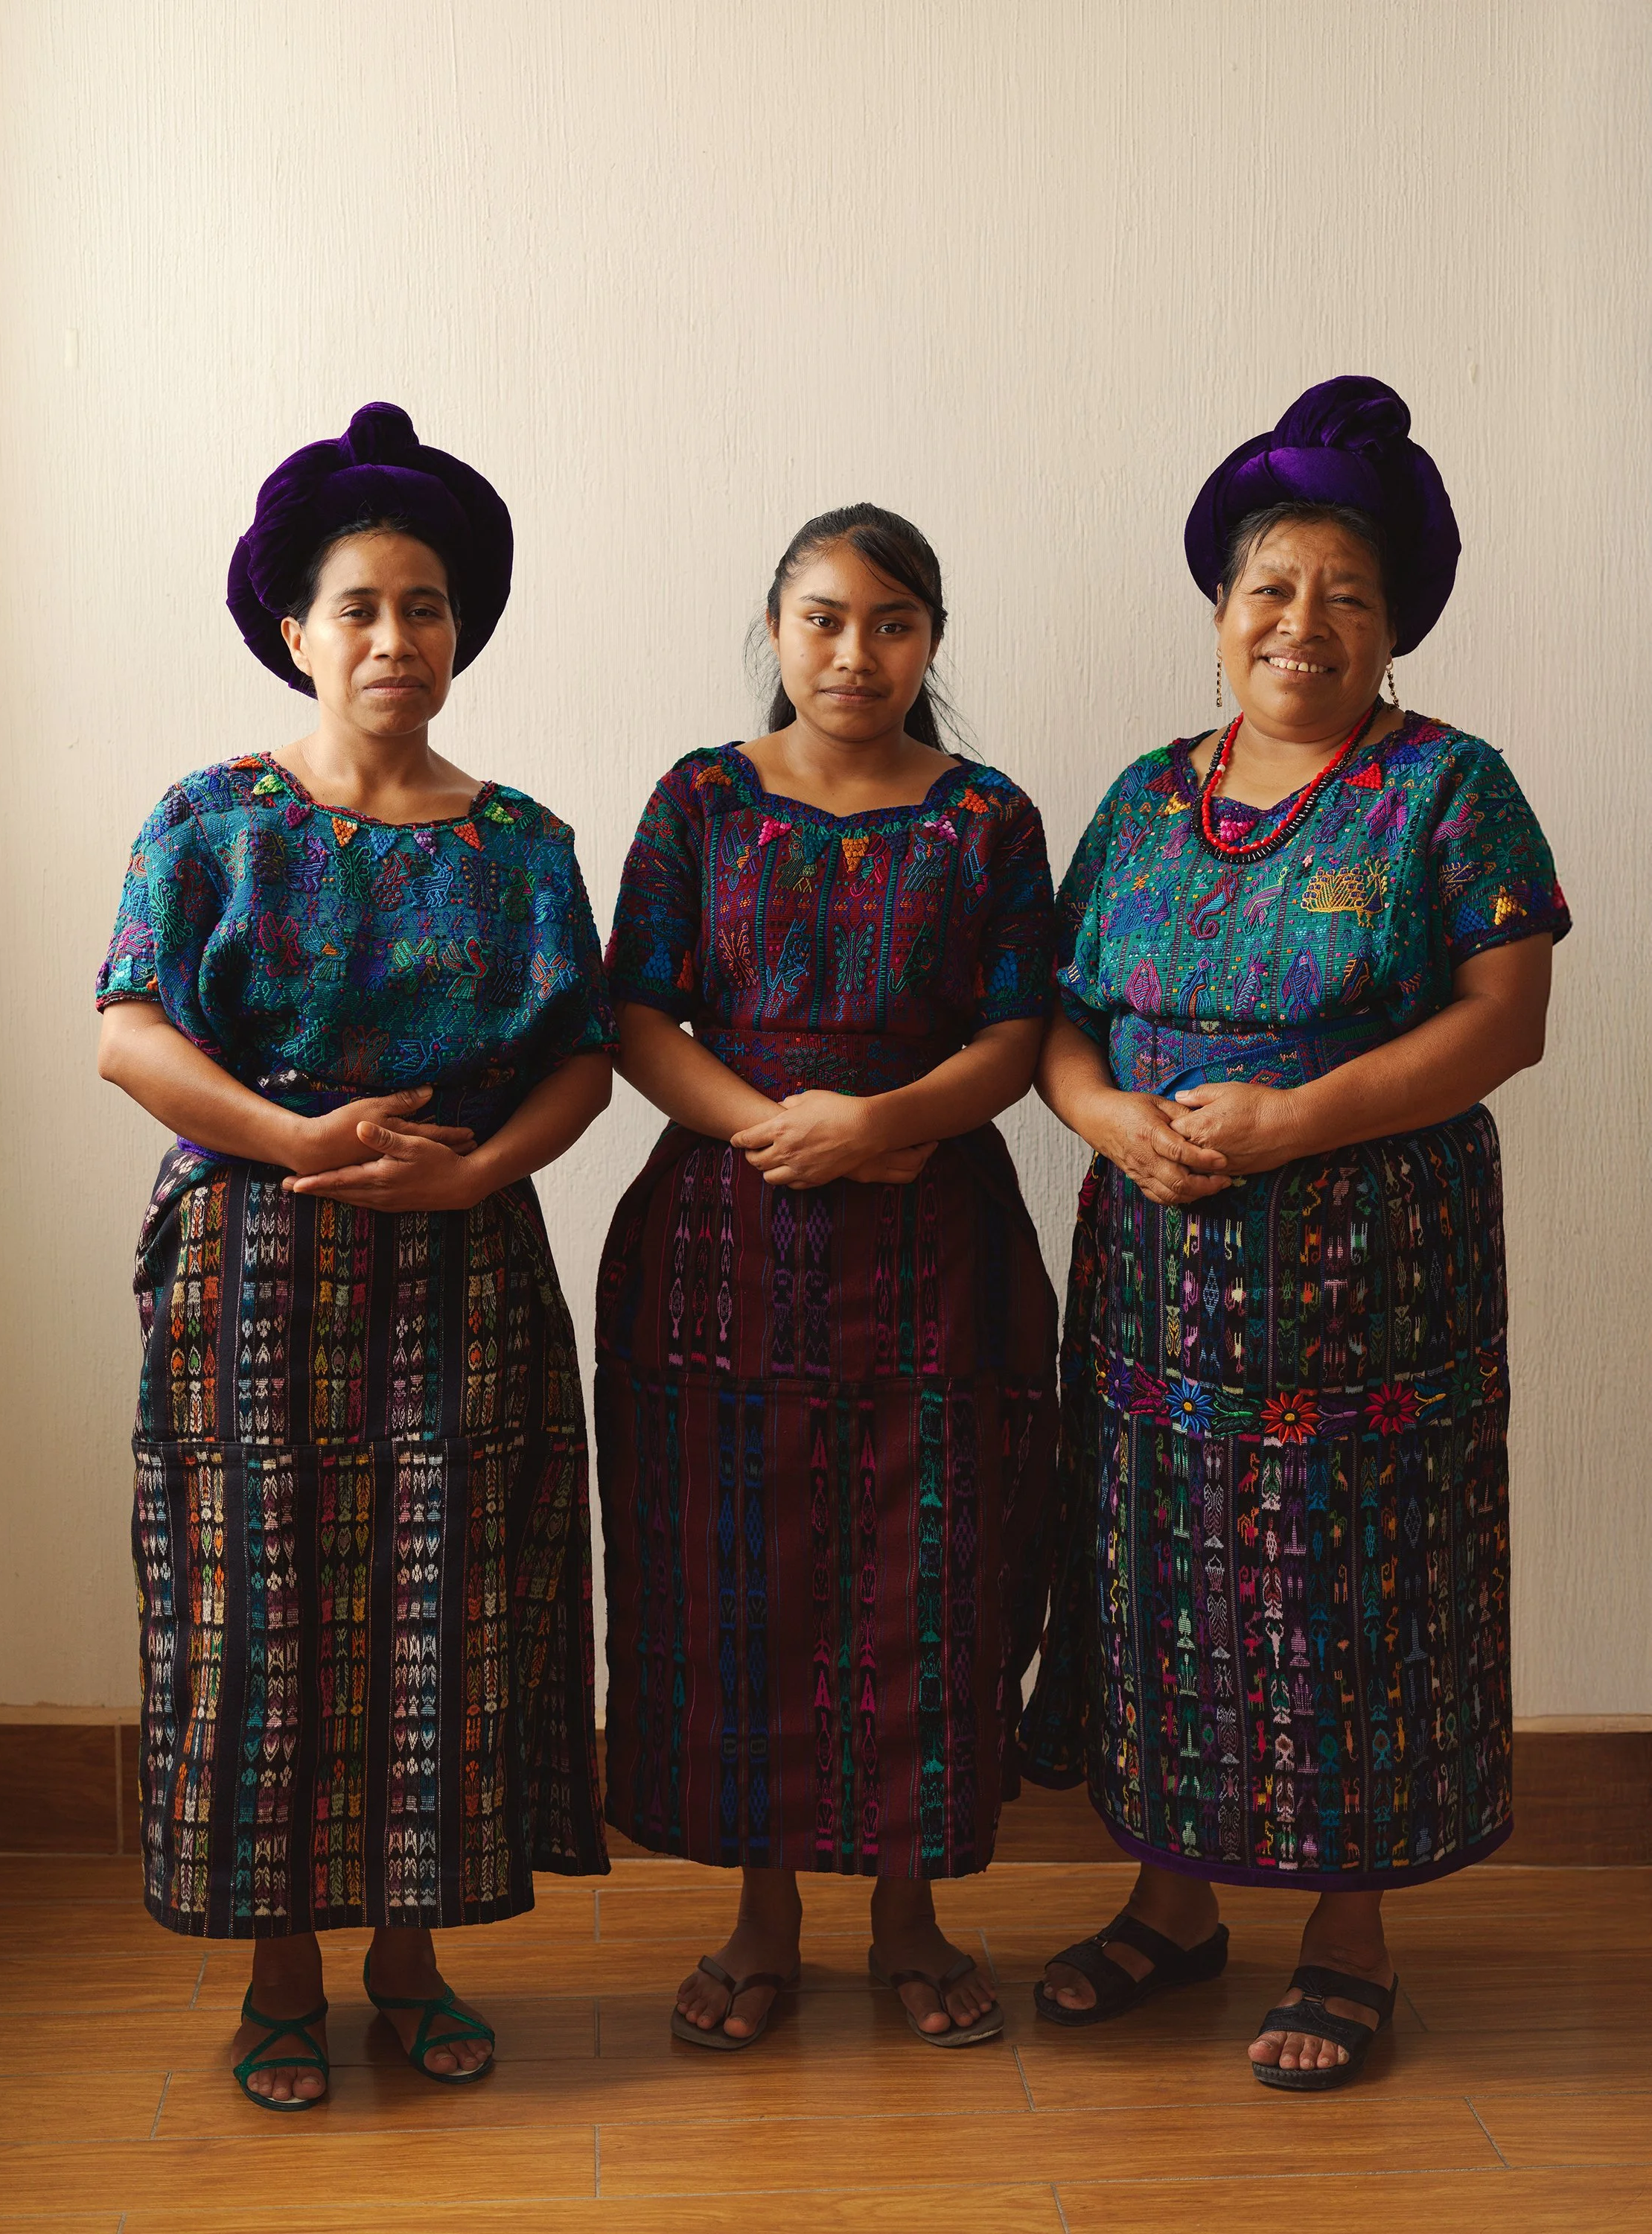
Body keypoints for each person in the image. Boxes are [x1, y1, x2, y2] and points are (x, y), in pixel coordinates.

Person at [1018, 376, 1569, 2091]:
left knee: (1353, 1593)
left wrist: (1293, 1120)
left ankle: (1347, 1939)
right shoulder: (1141, 798)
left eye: (1344, 595)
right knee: (1156, 1581)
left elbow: (1504, 1021)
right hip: (1154, 1275)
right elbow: (1058, 1022)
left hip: (1368, 1278)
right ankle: (1171, 1903)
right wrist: (1106, 1120)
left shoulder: (1447, 789)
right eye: (1268, 587)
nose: (1300, 623)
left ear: (1391, 626)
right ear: (1216, 610)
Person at [95, 402, 614, 2109]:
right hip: (254, 1262)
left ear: (460, 633)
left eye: (427, 608)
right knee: (257, 1617)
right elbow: (128, 1036)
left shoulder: (522, 843)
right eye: (361, 608)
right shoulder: (210, 820)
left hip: (463, 1268)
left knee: (447, 1608)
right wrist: (299, 1140)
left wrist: (480, 1177)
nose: (397, 638)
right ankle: (277, 1979)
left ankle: (412, 1959)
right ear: (295, 630)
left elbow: (584, 1059)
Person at [596, 506, 1059, 2049]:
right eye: (823, 618)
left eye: (892, 623)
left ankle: (912, 1918)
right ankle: (761, 1918)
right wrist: (782, 1131)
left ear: (931, 642)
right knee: (747, 1583)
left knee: (931, 1578)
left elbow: (1018, 1031)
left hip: (937, 1245)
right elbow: (635, 1013)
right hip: (723, 1246)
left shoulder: (986, 817)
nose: (856, 653)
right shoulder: (701, 800)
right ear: (775, 628)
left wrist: (884, 1122)